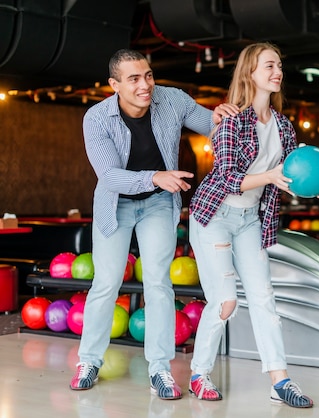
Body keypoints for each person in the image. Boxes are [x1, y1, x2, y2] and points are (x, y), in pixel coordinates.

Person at [70, 49, 239, 400]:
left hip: (160, 204)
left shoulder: (172, 99)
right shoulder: (97, 118)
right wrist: (155, 176)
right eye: (133, 79)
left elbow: (212, 125)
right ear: (114, 85)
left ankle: (159, 369)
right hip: (115, 205)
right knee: (106, 282)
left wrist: (222, 117)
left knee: (159, 284)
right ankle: (88, 361)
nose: (145, 85)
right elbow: (110, 176)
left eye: (147, 75)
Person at [187, 42, 319, 408]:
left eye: (279, 65)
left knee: (264, 299)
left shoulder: (285, 127)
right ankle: (198, 374)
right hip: (214, 217)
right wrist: (270, 174)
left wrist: (317, 187)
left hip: (249, 219)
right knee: (225, 302)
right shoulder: (230, 121)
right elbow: (224, 178)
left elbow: (289, 178)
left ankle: (279, 381)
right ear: (250, 73)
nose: (277, 72)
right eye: (269, 66)